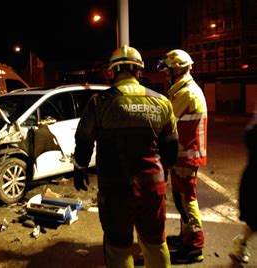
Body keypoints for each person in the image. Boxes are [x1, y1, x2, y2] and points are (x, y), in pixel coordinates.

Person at [73, 45, 178, 267]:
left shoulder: (99, 102)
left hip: (115, 189)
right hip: (153, 187)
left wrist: (80, 167)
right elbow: (171, 151)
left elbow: (84, 142)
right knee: (155, 243)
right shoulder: (162, 102)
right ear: (139, 71)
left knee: (118, 247)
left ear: (113, 71)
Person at [157, 49, 207, 263]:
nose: (166, 74)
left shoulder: (187, 93)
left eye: (168, 70)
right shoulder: (183, 89)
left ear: (177, 70)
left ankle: (195, 246)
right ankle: (185, 236)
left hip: (186, 156)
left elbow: (166, 120)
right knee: (180, 198)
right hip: (182, 155)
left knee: (187, 201)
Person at [229, 106, 257, 264]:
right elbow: (250, 138)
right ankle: (242, 242)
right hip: (255, 177)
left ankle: (242, 243)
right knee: (254, 220)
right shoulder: (254, 129)